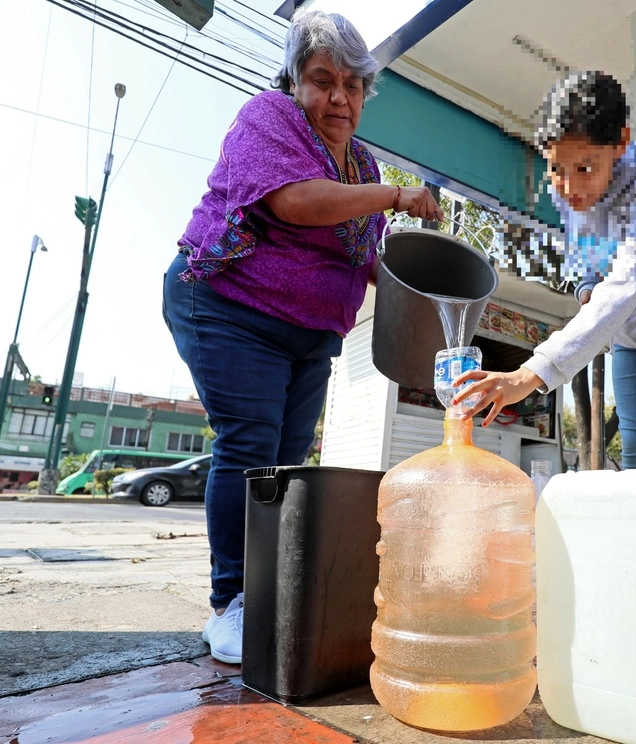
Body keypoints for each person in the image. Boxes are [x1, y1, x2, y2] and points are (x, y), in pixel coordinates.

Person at [162, 9, 443, 665]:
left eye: (352, 86)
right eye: (322, 81)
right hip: (229, 305)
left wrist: (418, 291)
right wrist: (396, 199)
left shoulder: (362, 165)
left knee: (286, 469)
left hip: (308, 336)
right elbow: (294, 203)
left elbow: (352, 255)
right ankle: (228, 604)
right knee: (251, 447)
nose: (338, 99)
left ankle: (266, 593)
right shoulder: (271, 117)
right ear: (295, 81)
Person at [455, 71, 636, 472]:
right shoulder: (569, 185)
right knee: (635, 453)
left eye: (584, 168)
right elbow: (583, 248)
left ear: (620, 143)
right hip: (633, 334)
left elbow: (622, 289)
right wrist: (585, 285)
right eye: (556, 169)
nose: (568, 186)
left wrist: (529, 375)